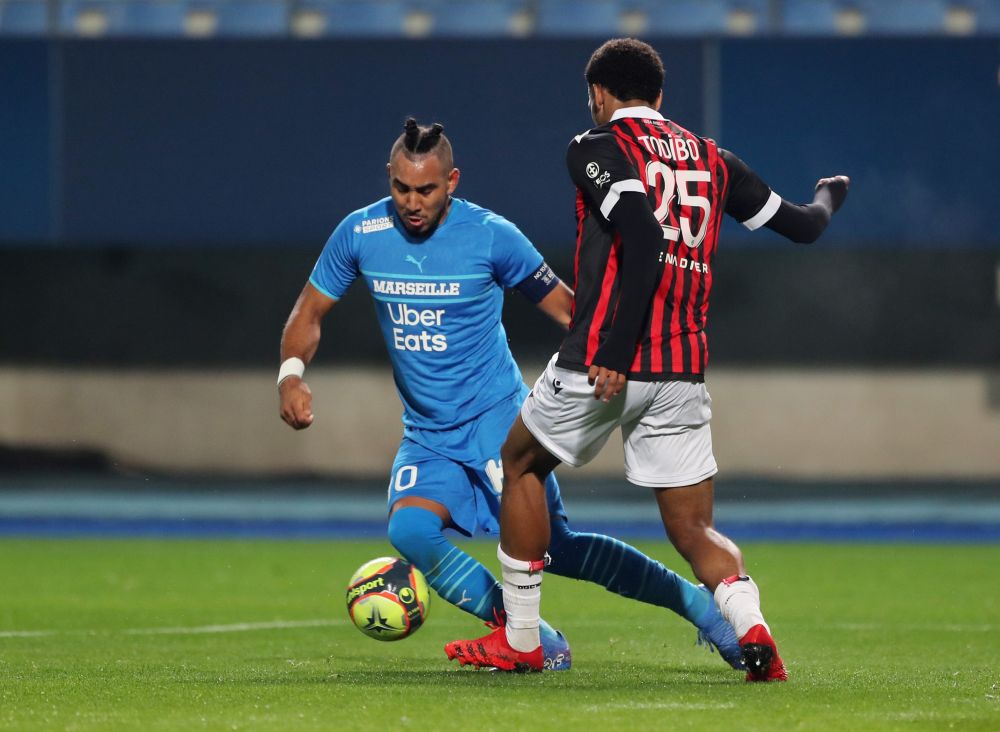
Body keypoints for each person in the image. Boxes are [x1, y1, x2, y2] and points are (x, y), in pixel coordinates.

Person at [444, 39, 849, 680]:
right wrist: (829, 195)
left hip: (602, 362)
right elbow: (803, 226)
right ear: (661, 97)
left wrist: (612, 350)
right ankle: (753, 628)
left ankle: (520, 639)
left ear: (599, 95)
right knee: (694, 530)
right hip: (682, 368)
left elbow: (640, 234)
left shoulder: (593, 146)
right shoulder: (713, 159)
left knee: (519, 462)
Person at [278, 117, 745, 672]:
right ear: (389, 178)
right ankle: (526, 633)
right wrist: (290, 373)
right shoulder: (359, 234)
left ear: (452, 180)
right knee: (409, 529)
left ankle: (701, 609)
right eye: (401, 188)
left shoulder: (492, 236)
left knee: (558, 550)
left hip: (499, 424)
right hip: (428, 436)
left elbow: (570, 310)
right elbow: (308, 312)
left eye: (426, 189)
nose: (412, 201)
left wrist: (619, 358)